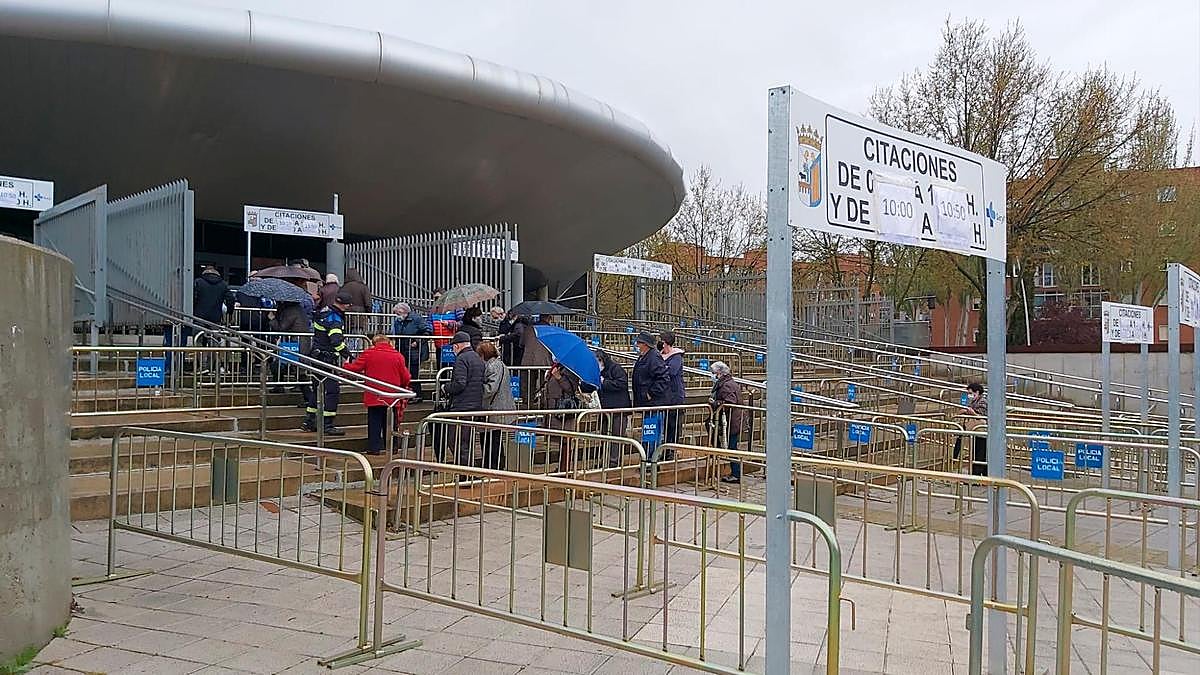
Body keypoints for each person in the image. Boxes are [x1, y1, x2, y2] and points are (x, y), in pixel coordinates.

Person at [345, 335, 411, 454]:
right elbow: (406, 377)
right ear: (389, 342)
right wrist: (402, 387)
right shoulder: (398, 356)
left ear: (374, 343)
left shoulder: (369, 353)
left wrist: (346, 365)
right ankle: (392, 448)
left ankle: (374, 448)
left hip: (374, 396)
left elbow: (355, 368)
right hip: (392, 397)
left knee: (374, 423)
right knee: (390, 424)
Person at [302, 290, 354, 435]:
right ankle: (327, 424)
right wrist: (347, 355)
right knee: (332, 391)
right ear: (345, 305)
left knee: (316, 388)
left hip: (317, 355)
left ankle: (309, 421)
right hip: (326, 358)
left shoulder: (324, 311)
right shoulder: (334, 318)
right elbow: (336, 340)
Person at [442, 331, 485, 465]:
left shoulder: (461, 359)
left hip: (462, 406)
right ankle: (468, 472)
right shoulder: (477, 357)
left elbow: (460, 383)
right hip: (476, 404)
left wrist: (446, 387)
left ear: (457, 346)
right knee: (467, 441)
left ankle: (465, 473)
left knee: (456, 441)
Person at [632, 332, 672, 460]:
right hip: (647, 403)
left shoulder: (653, 357)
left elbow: (664, 378)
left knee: (652, 432)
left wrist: (650, 393)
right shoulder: (644, 357)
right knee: (649, 431)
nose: (637, 345)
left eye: (639, 343)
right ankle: (647, 457)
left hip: (654, 403)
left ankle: (651, 459)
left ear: (645, 345)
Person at [479, 341, 516, 469]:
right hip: (500, 406)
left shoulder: (493, 366)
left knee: (491, 439)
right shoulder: (499, 364)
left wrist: (477, 389)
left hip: (494, 407)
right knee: (494, 438)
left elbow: (491, 388)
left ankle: (493, 466)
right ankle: (496, 464)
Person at [708, 361, 745, 483]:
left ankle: (736, 474)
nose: (712, 375)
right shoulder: (728, 382)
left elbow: (730, 402)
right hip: (732, 419)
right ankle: (735, 472)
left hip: (732, 420)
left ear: (719, 373)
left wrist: (715, 403)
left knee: (732, 447)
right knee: (731, 445)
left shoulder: (727, 385)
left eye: (714, 373)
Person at [597, 350, 631, 467]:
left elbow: (622, 384)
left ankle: (613, 461)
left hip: (618, 408)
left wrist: (604, 382)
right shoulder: (598, 371)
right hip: (605, 408)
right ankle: (604, 458)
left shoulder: (616, 369)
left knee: (616, 435)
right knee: (604, 435)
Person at [392, 302, 430, 402]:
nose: (397, 316)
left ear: (404, 312)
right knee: (404, 372)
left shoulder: (416, 319)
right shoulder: (398, 321)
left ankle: (417, 394)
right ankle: (407, 393)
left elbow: (427, 331)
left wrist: (417, 342)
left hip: (415, 350)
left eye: (398, 313)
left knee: (413, 373)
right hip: (402, 349)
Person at [659, 330, 686, 454]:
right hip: (664, 395)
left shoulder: (676, 357)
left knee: (673, 425)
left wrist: (660, 369)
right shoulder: (660, 356)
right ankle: (664, 448)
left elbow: (672, 371)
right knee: (665, 424)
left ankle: (671, 449)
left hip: (675, 396)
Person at [957, 382, 988, 476]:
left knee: (980, 454)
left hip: (981, 430)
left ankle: (976, 476)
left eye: (971, 393)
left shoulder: (982, 402)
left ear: (977, 392)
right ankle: (981, 474)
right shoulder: (974, 401)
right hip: (976, 431)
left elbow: (982, 416)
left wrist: (971, 412)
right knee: (979, 453)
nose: (970, 395)